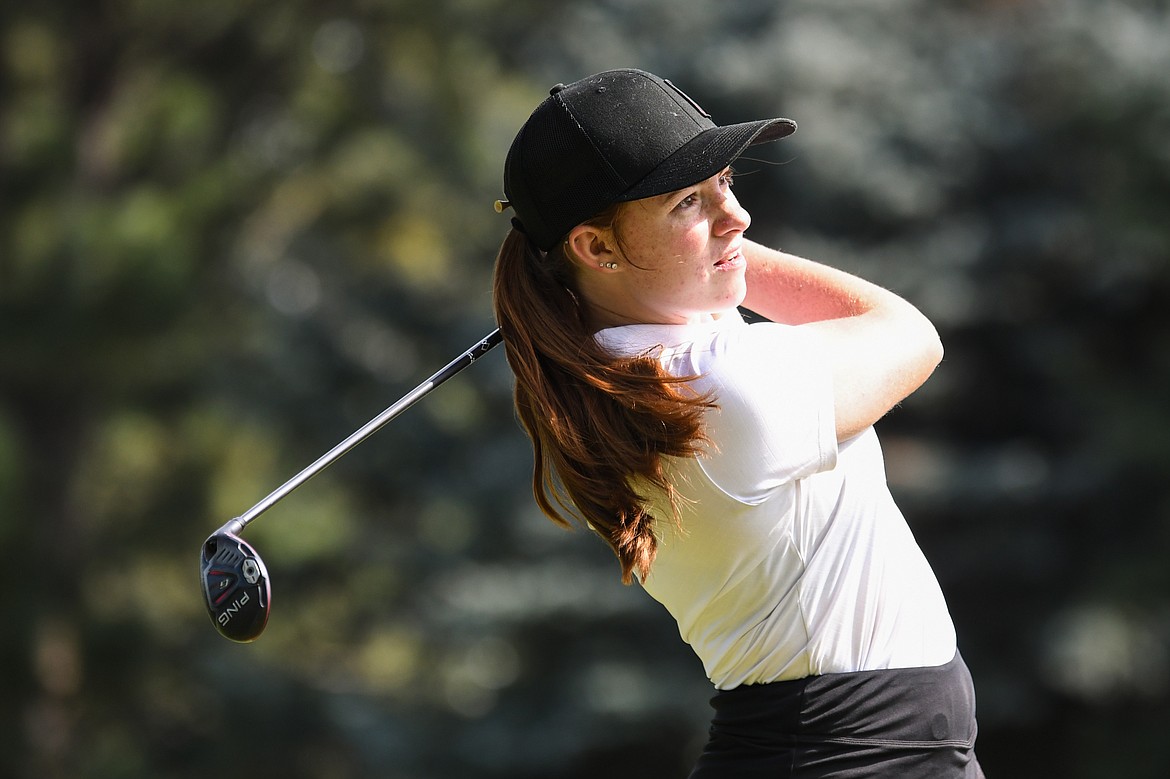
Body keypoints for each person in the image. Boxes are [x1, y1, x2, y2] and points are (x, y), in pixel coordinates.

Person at [491, 68, 984, 778]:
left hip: (855, 750)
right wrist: (728, 256)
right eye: (688, 201)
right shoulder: (719, 385)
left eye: (725, 180)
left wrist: (694, 246)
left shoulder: (619, 367)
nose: (738, 217)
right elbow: (909, 334)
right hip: (848, 755)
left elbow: (680, 298)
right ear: (596, 249)